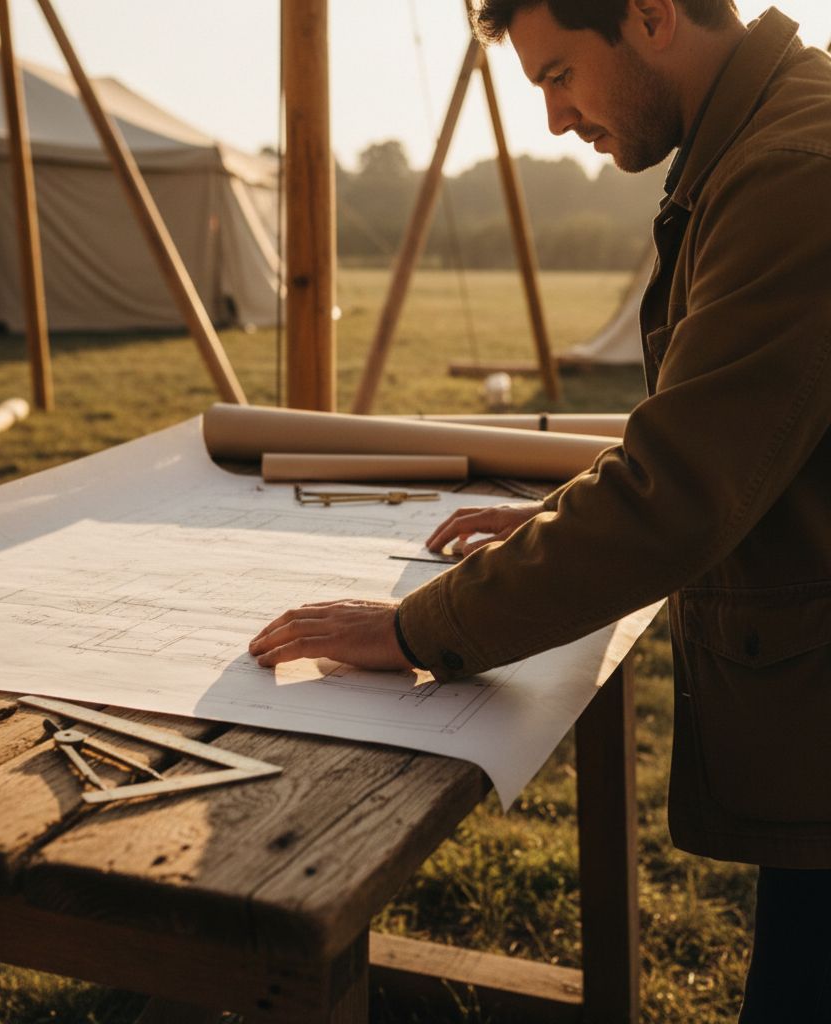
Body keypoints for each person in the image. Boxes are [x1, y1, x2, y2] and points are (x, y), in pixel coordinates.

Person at [250, 0, 831, 1018]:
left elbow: (679, 493)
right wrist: (568, 509)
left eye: (558, 75)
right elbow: (736, 424)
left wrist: (411, 627)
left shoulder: (792, 169)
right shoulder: (769, 136)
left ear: (649, 15)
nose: (556, 120)